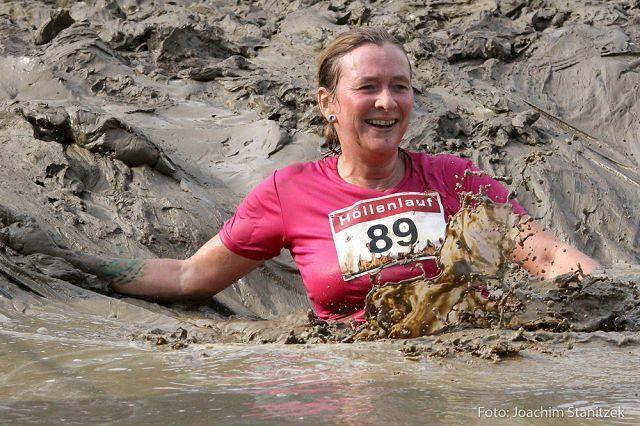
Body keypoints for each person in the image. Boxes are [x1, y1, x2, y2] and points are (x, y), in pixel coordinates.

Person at [3, 27, 598, 321]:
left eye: (400, 86)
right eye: (368, 87)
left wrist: (605, 303)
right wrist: (67, 259)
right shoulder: (289, 192)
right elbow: (189, 277)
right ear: (328, 103)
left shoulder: (454, 178)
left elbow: (549, 258)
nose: (387, 102)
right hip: (349, 379)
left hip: (467, 369)